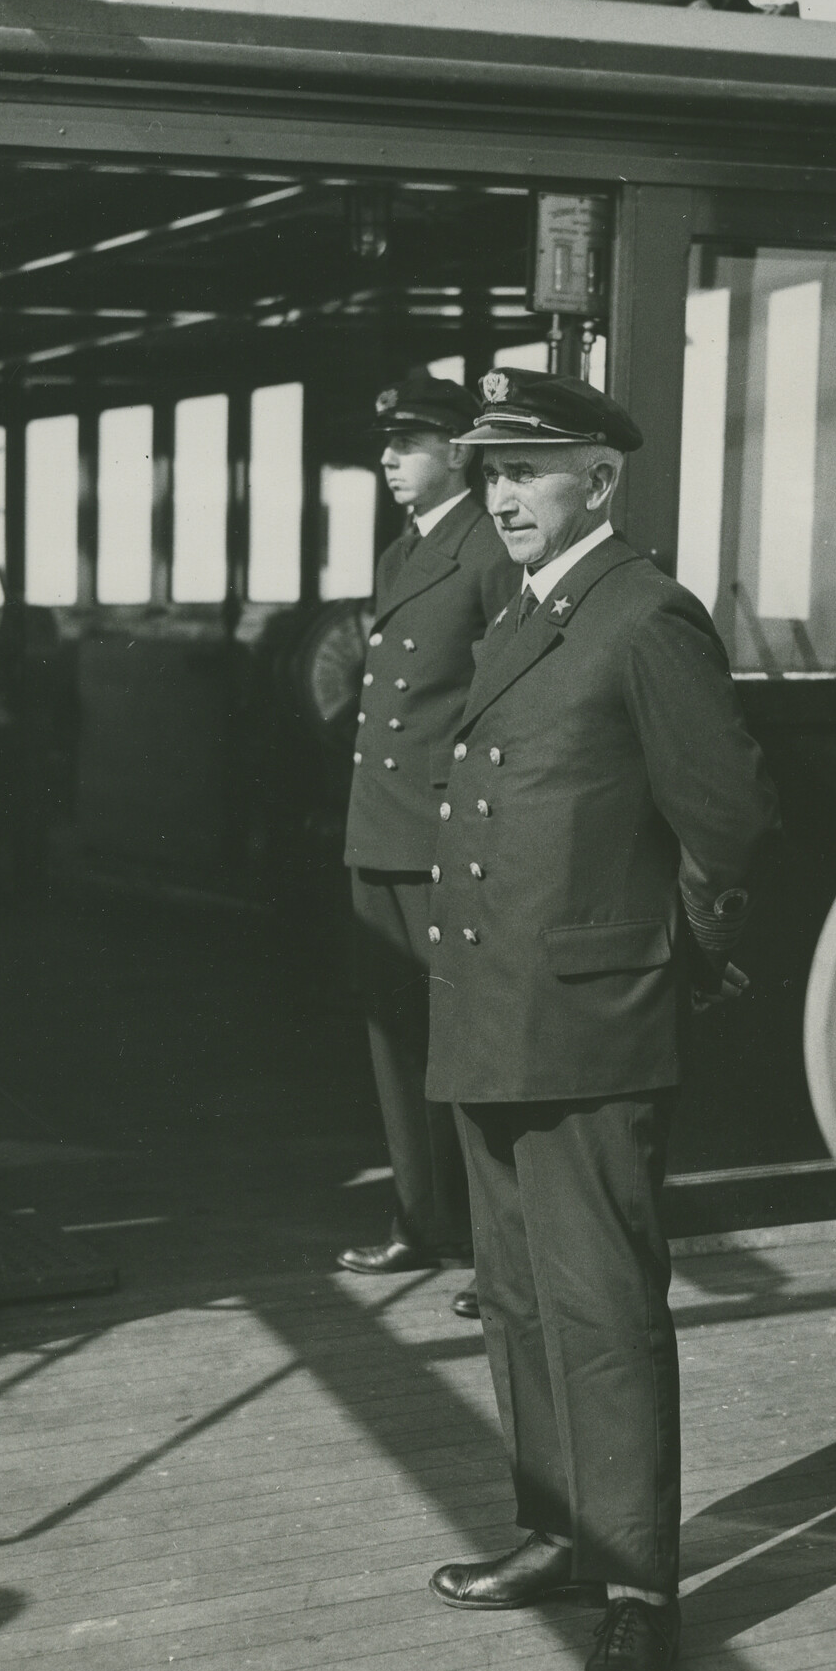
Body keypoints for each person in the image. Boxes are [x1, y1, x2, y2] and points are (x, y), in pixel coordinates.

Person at [421, 369, 780, 1671]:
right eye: (491, 473)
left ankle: (637, 1591)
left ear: (602, 479)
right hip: (491, 1015)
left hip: (587, 1021)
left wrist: (669, 950)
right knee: (517, 1297)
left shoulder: (641, 613)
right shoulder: (529, 610)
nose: (503, 495)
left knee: (605, 1315)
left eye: (531, 469)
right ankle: (561, 1533)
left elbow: (726, 815)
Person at [338, 376, 517, 1318]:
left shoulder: (488, 551)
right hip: (382, 828)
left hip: (443, 835)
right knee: (394, 1039)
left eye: (407, 444)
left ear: (459, 451)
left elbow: (501, 703)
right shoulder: (405, 551)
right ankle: (422, 1217)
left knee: (463, 1046)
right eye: (387, 445)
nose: (388, 460)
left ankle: (497, 1253)